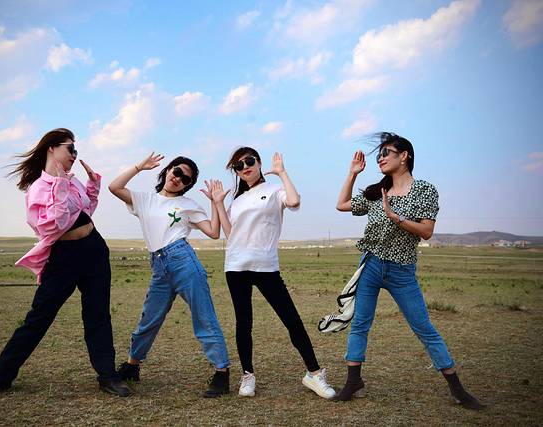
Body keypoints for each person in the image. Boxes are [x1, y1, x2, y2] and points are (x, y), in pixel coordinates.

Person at [334, 132, 483, 410]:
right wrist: (352, 173)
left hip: (401, 271)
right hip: (371, 265)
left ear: (404, 156)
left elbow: (426, 231)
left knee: (424, 328)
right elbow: (341, 205)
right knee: (360, 324)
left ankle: (457, 389)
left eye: (386, 153)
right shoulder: (377, 192)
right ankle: (353, 382)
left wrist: (396, 218)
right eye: (379, 154)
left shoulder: (424, 190)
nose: (380, 158)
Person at [0, 128, 131, 397]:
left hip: (94, 249)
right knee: (40, 316)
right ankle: (3, 376)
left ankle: (108, 376)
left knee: (98, 314)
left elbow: (84, 212)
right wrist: (59, 186)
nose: (74, 155)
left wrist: (92, 186)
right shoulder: (38, 188)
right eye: (70, 148)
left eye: (76, 150)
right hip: (63, 256)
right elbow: (53, 227)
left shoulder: (73, 181)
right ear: (52, 148)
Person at [212, 147, 336, 399]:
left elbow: (294, 201)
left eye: (249, 161)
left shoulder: (274, 190)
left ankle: (313, 374)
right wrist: (218, 204)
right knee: (243, 323)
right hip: (236, 266)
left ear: (258, 162)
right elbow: (230, 233)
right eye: (238, 166)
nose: (245, 167)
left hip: (266, 266)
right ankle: (247, 375)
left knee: (291, 319)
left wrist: (281, 172)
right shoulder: (237, 200)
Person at [108, 152, 231, 398]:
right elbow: (114, 187)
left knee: (203, 317)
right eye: (177, 171)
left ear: (187, 186)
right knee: (149, 319)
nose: (178, 179)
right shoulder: (145, 200)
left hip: (183, 261)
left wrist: (215, 202)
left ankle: (222, 373)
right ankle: (132, 366)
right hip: (159, 265)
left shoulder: (188, 205)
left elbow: (214, 232)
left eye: (186, 179)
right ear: (167, 170)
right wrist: (139, 166)